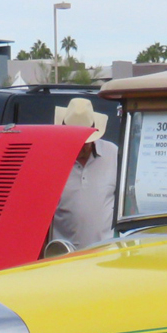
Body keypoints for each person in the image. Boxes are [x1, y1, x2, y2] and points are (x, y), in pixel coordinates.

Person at [48, 97, 119, 250]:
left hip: (106, 254)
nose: (81, 145)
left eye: (85, 141)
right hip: (65, 257)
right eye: (75, 139)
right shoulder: (51, 160)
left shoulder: (112, 153)